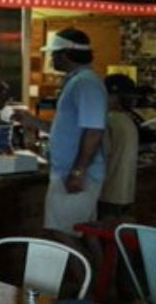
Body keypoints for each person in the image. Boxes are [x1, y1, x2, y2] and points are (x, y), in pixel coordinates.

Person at [14, 28, 106, 235]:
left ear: (66, 55)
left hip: (76, 174)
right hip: (70, 171)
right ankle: (92, 260)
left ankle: (82, 260)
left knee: (61, 232)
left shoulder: (85, 83)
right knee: (83, 232)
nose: (51, 59)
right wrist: (32, 121)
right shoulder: (77, 81)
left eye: (53, 54)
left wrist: (78, 172)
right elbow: (67, 130)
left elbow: (94, 131)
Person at [99, 74, 139, 220]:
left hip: (109, 191)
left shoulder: (109, 120)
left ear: (113, 97)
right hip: (125, 191)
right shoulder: (126, 120)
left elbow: (102, 152)